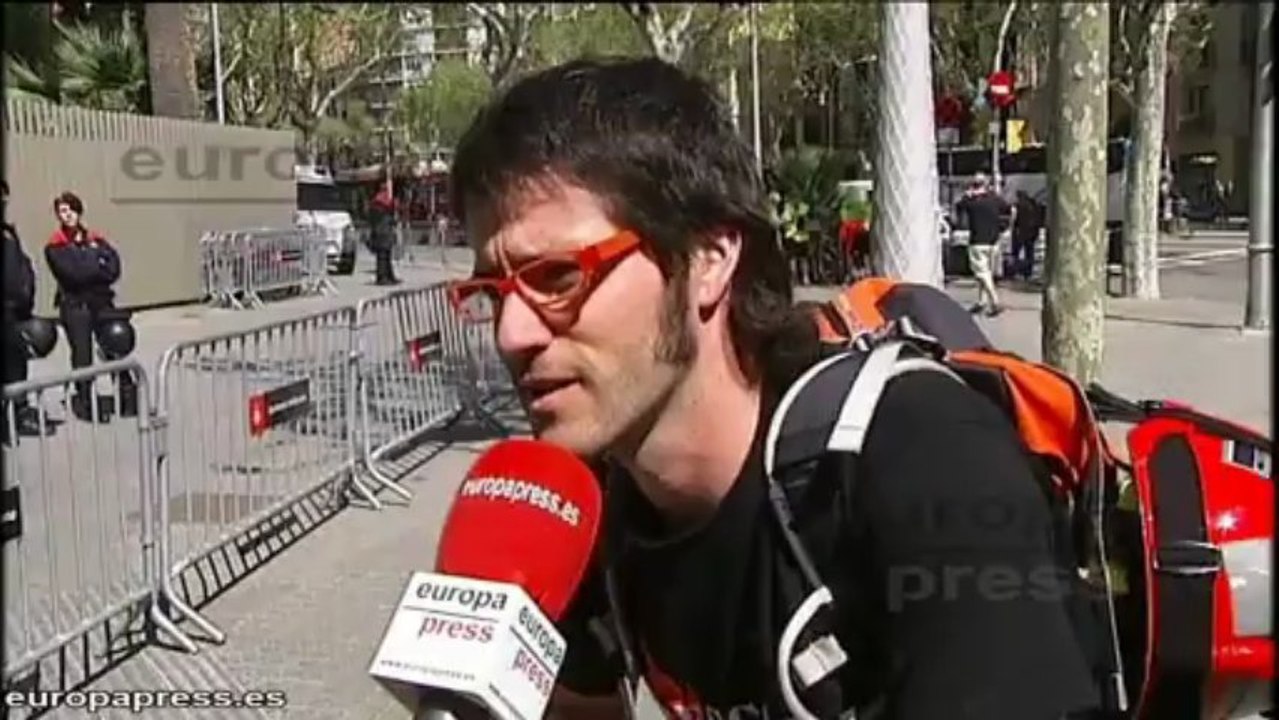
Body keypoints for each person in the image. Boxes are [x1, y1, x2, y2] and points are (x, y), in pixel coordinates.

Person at [447, 57, 1101, 720]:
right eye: (490, 292)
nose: (512, 333)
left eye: (557, 277)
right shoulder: (576, 503)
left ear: (708, 260)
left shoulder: (924, 456)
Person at [44, 191, 136, 422]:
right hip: (75, 306)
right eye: (62, 211)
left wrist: (93, 263)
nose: (67, 215)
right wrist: (96, 262)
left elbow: (114, 267)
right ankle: (86, 400)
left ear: (79, 211)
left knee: (116, 342)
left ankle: (127, 393)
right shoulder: (55, 246)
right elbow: (74, 275)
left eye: (71, 210)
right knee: (82, 354)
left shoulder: (95, 238)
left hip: (102, 302)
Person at [2, 180, 52, 440]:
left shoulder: (9, 233)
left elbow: (23, 267)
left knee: (16, 367)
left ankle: (18, 414)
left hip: (15, 314)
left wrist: (28, 286)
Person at [953, 174, 1008, 316]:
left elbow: (958, 207)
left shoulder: (971, 201)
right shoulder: (995, 199)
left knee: (982, 273)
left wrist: (967, 195)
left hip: (978, 241)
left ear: (973, 185)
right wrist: (1006, 227)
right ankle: (981, 302)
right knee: (987, 272)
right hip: (994, 241)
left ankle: (995, 301)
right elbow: (1010, 209)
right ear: (987, 184)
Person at [369, 176, 401, 286]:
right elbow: (386, 214)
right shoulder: (380, 202)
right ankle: (382, 277)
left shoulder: (377, 202)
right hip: (382, 232)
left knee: (386, 255)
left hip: (382, 231)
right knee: (383, 256)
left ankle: (388, 275)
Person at [1010, 189, 1044, 281]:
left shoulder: (1018, 206)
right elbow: (1039, 219)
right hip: (1032, 232)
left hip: (1021, 232)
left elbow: (1015, 220)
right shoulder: (1034, 205)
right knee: (1030, 253)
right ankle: (1028, 272)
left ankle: (1016, 271)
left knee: (1016, 253)